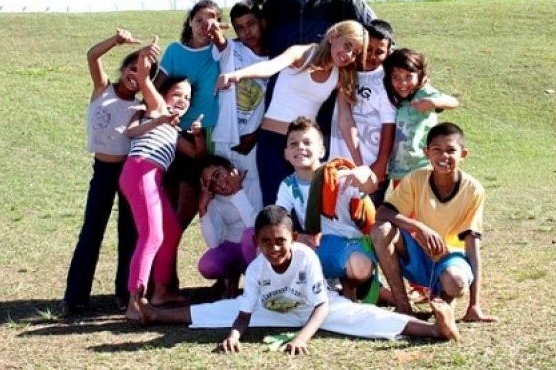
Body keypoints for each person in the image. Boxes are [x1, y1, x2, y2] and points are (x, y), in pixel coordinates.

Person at [131, 206, 460, 355]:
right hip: (274, 310)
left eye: (280, 241)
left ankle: (435, 329)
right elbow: (244, 313)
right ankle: (154, 315)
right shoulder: (259, 268)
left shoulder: (306, 258)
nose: (274, 248)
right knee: (221, 310)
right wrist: (234, 335)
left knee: (367, 318)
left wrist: (302, 338)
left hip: (320, 308)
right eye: (266, 242)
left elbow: (319, 308)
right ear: (258, 243)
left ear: (293, 238)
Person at [216, 20, 368, 207]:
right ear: (333, 37)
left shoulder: (341, 75)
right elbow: (270, 67)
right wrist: (236, 75)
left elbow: (346, 120)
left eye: (355, 52)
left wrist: (360, 164)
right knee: (275, 208)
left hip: (306, 147)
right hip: (273, 142)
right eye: (347, 45)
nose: (348, 55)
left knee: (308, 207)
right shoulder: (302, 53)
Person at [371, 122, 499, 323]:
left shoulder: (473, 190)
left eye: (451, 151)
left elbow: (473, 247)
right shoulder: (416, 179)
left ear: (463, 154)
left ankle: (443, 298)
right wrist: (418, 227)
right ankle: (403, 306)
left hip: (449, 259)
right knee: (381, 229)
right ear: (426, 153)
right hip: (419, 255)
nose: (444, 156)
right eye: (437, 150)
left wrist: (474, 305)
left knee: (456, 282)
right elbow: (382, 212)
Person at [262, 0, 376, 157]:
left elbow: (376, 34)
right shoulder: (277, 1)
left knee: (316, 181)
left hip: (326, 105)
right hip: (280, 109)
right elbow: (259, 38)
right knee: (277, 183)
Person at [120, 36, 206, 321]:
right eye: (177, 94)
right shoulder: (156, 108)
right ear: (165, 94)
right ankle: (136, 300)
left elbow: (195, 154)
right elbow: (144, 78)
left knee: (170, 232)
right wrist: (145, 56)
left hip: (150, 179)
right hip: (140, 171)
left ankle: (161, 292)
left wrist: (197, 135)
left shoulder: (173, 128)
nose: (182, 101)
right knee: (152, 235)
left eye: (187, 98)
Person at [61, 29, 146, 315]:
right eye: (132, 68)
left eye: (142, 71)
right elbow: (92, 55)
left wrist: (148, 67)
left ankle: (125, 293)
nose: (135, 74)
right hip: (103, 171)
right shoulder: (103, 89)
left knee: (129, 233)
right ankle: (75, 295)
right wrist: (116, 40)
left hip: (128, 172)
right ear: (122, 69)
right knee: (91, 230)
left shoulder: (141, 105)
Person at [275, 117, 379, 302]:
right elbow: (278, 219)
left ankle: (350, 285)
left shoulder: (337, 175)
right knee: (269, 248)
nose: (300, 147)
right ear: (286, 154)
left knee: (360, 267)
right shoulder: (288, 185)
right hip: (316, 245)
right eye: (294, 144)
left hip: (347, 243)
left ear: (322, 150)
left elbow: (369, 187)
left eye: (307, 142)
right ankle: (323, 286)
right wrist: (297, 237)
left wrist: (365, 173)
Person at [157, 0, 227, 232]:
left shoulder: (220, 54)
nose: (204, 27)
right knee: (166, 205)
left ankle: (166, 257)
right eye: (199, 20)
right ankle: (163, 263)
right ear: (190, 22)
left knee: (188, 207)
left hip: (204, 134)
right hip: (173, 133)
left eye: (211, 21)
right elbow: (157, 88)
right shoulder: (175, 51)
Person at [329, 19, 396, 207]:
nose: (372, 56)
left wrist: (381, 164)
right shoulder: (345, 71)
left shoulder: (386, 81)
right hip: (339, 164)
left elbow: (388, 125)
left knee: (366, 222)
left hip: (370, 166)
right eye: (368, 49)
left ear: (389, 53)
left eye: (379, 51)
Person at [210, 0, 268, 198]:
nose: (247, 32)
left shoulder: (275, 60)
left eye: (251, 24)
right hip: (226, 136)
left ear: (262, 22)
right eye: (240, 28)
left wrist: (256, 134)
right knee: (223, 195)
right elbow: (220, 41)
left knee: (253, 194)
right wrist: (214, 29)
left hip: (252, 140)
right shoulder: (233, 49)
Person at [383, 48, 459, 189]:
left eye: (408, 76)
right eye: (396, 77)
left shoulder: (424, 93)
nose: (403, 83)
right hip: (400, 169)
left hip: (423, 166)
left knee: (422, 208)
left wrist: (432, 103)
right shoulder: (393, 98)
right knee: (403, 208)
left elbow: (453, 102)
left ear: (419, 75)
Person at [196, 154, 262, 298]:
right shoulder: (215, 201)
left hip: (256, 247)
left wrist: (238, 191)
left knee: (248, 235)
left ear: (231, 169)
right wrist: (202, 208)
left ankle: (256, 285)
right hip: (232, 247)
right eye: (211, 182)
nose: (218, 183)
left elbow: (254, 225)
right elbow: (213, 243)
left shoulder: (253, 186)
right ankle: (232, 277)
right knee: (207, 266)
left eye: (218, 174)